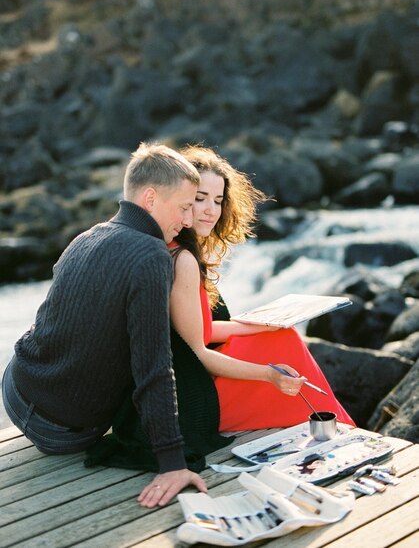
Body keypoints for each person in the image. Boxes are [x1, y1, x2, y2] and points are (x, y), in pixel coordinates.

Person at [1, 142, 208, 509]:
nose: (188, 220)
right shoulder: (151, 254)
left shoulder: (88, 235)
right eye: (184, 207)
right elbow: (154, 367)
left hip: (17, 389)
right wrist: (172, 463)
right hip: (60, 433)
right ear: (150, 198)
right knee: (168, 346)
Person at [168, 145, 356, 432]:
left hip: (189, 377)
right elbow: (196, 352)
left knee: (281, 335)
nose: (211, 210)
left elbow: (199, 331)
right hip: (190, 401)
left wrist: (262, 325)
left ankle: (336, 424)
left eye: (218, 200)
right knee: (284, 347)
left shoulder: (182, 250)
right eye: (200, 198)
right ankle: (339, 427)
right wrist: (269, 374)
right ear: (179, 198)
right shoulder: (182, 259)